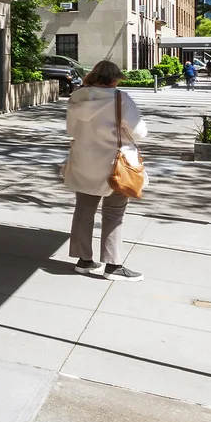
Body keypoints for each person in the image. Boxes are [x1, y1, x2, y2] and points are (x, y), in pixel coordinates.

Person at [61, 60, 147, 282]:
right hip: (114, 165)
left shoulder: (77, 98)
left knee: (83, 210)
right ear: (114, 79)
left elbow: (70, 129)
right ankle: (113, 265)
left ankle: (84, 260)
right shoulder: (120, 99)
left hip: (83, 161)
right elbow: (139, 133)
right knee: (114, 213)